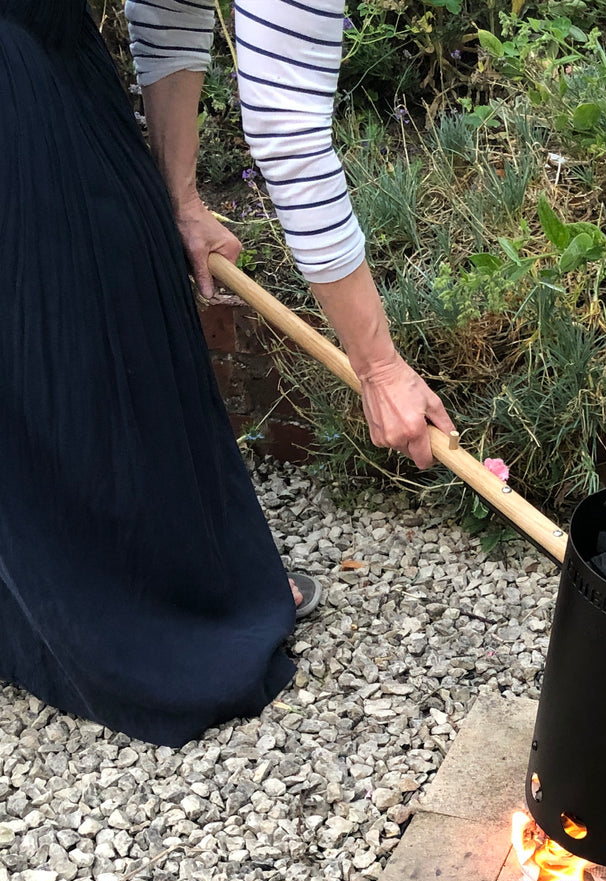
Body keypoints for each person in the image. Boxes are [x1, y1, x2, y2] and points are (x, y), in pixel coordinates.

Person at [0, 0, 453, 747]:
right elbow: (287, 133)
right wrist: (378, 365)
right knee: (73, 323)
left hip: (48, 40)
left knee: (113, 288)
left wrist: (178, 200)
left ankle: (119, 591)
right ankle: (146, 624)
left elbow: (167, 8)